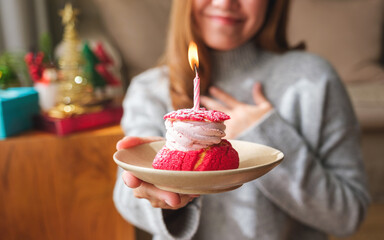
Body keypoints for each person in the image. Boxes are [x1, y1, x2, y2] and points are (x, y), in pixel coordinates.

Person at [113, 0, 371, 239]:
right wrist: (162, 191)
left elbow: (348, 216)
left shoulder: (312, 81)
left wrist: (264, 132)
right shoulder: (149, 89)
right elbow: (126, 198)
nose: (225, 3)